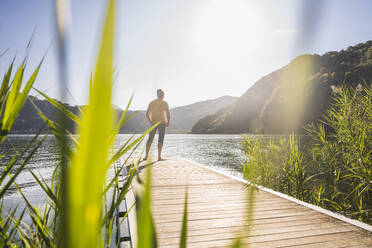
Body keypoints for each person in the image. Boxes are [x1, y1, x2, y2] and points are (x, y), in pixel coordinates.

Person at [144, 89, 170, 161]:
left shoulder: (152, 103)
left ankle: (146, 156)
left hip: (154, 123)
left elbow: (147, 114)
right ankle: (159, 157)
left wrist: (151, 121)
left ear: (157, 95)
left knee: (150, 139)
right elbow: (168, 114)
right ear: (163, 95)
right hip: (162, 123)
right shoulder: (165, 103)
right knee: (160, 139)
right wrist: (168, 122)